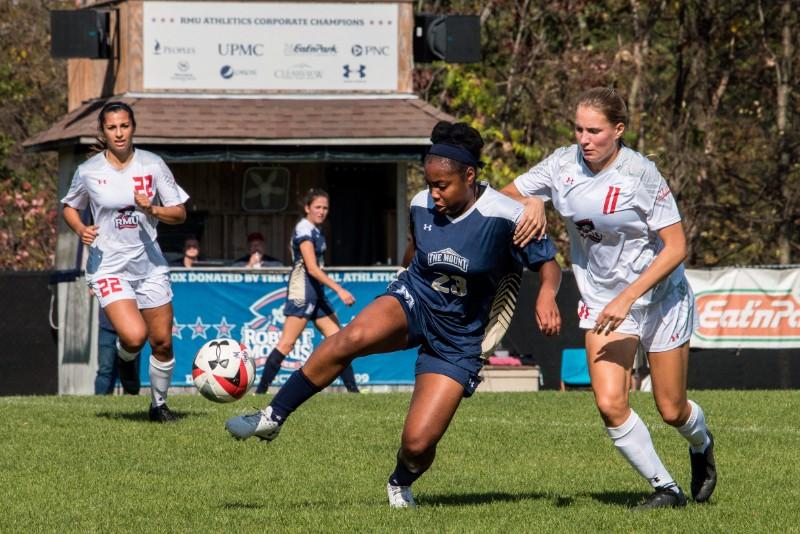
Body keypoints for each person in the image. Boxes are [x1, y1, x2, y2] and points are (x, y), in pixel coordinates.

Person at [226, 122, 562, 508]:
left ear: (470, 176)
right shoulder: (421, 203)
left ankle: (401, 481)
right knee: (348, 338)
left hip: (460, 335)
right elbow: (415, 248)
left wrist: (547, 295)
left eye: (443, 185)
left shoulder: (508, 216)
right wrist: (400, 279)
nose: (433, 194)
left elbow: (547, 263)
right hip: (414, 298)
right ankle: (273, 415)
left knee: (418, 444)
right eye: (430, 183)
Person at [501, 87, 716, 510]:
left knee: (671, 409)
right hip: (601, 298)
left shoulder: (640, 175)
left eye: (595, 131)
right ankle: (666, 489)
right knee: (609, 402)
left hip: (660, 299)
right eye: (579, 129)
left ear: (618, 131)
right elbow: (502, 196)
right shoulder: (562, 164)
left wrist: (628, 298)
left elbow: (676, 247)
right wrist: (531, 200)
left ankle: (702, 443)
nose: (584, 139)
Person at [62, 100, 189, 423]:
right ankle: (126, 359)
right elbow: (69, 206)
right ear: (102, 131)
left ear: (133, 127)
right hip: (109, 266)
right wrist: (80, 228)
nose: (119, 133)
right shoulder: (89, 172)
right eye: (111, 127)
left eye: (124, 126)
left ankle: (158, 406)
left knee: (162, 341)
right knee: (134, 336)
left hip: (149, 266)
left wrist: (153, 210)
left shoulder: (152, 165)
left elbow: (179, 212)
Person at [254, 189, 360, 394]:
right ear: (307, 208)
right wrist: (339, 290)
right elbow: (311, 268)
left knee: (340, 342)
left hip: (316, 292)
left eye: (325, 208)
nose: (322, 211)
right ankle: (260, 391)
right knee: (286, 344)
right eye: (317, 207)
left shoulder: (316, 230)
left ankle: (354, 393)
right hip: (302, 291)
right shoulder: (304, 229)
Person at [95, 306, 140, 395]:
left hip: (130, 328)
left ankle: (131, 399)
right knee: (105, 370)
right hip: (107, 329)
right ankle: (100, 400)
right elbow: (92, 292)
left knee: (130, 369)